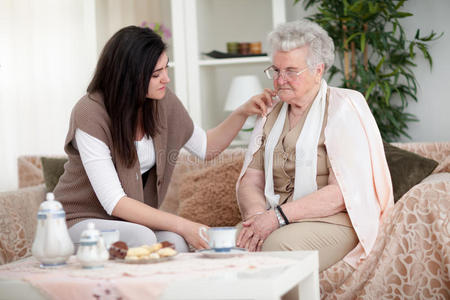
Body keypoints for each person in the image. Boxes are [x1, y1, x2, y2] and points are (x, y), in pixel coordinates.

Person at [54, 26, 272, 252]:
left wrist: (242, 112)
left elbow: (207, 147)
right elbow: (114, 201)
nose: (166, 79)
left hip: (127, 223)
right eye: (156, 74)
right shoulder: (89, 113)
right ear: (128, 77)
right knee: (144, 237)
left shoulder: (162, 102)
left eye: (165, 68)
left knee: (175, 242)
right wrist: (185, 225)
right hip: (77, 221)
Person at [235, 20, 394, 271]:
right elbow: (251, 179)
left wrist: (278, 217)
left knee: (276, 248)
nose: (280, 80)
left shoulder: (344, 106)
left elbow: (343, 191)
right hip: (273, 217)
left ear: (318, 71)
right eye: (275, 70)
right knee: (226, 246)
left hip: (333, 221)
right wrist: (256, 216)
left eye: (291, 71)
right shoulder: (270, 112)